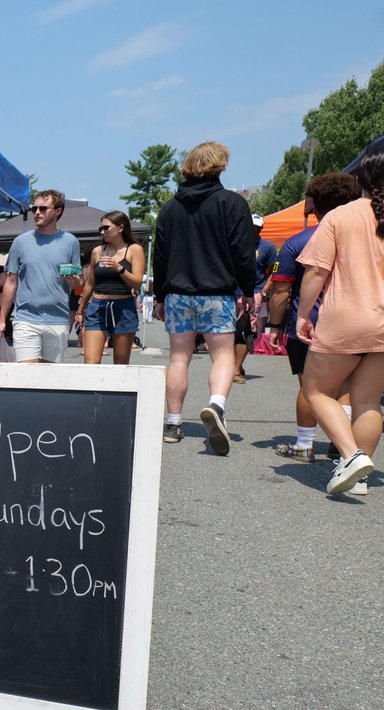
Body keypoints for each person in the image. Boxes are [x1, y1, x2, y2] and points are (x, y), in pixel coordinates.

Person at [296, 150, 384, 495]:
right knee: (368, 399)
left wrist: (302, 314)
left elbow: (315, 271)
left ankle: (350, 455)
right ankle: (358, 475)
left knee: (316, 390)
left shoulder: (341, 216)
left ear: (360, 181)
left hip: (347, 317)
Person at [152, 141, 256, 453]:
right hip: (217, 292)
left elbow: (161, 255)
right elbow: (242, 252)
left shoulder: (170, 208)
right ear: (220, 166)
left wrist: (159, 295)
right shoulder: (232, 203)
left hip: (178, 294)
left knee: (179, 358)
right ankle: (216, 406)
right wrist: (247, 290)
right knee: (222, 356)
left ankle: (172, 422)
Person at [264, 173, 360, 469]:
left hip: (312, 325)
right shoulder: (370, 237)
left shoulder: (297, 242)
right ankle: (339, 442)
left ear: (315, 207)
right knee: (347, 385)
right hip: (358, 324)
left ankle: (304, 445)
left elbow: (280, 290)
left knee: (311, 387)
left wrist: (276, 326)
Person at [0, 190, 82, 363]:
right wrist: (2, 319)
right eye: (34, 208)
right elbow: (11, 282)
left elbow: (77, 283)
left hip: (58, 319)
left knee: (49, 381)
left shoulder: (71, 242)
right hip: (26, 319)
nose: (36, 212)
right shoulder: (20, 241)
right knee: (28, 377)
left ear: (58, 211)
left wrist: (74, 282)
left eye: (43, 208)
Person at [75, 210, 146, 365]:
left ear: (120, 228)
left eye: (106, 228)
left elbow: (137, 282)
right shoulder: (97, 251)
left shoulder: (134, 249)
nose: (102, 232)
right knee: (90, 364)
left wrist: (118, 268)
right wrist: (80, 311)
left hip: (123, 308)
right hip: (97, 307)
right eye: (100, 229)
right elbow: (90, 284)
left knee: (120, 365)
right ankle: (93, 390)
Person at [233, 214, 278, 383]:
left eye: (257, 227)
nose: (254, 229)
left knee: (245, 330)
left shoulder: (268, 247)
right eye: (251, 226)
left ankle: (236, 369)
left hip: (255, 293)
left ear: (261, 229)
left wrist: (264, 291)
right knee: (230, 331)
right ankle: (235, 365)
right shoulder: (235, 244)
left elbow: (275, 271)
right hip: (233, 293)